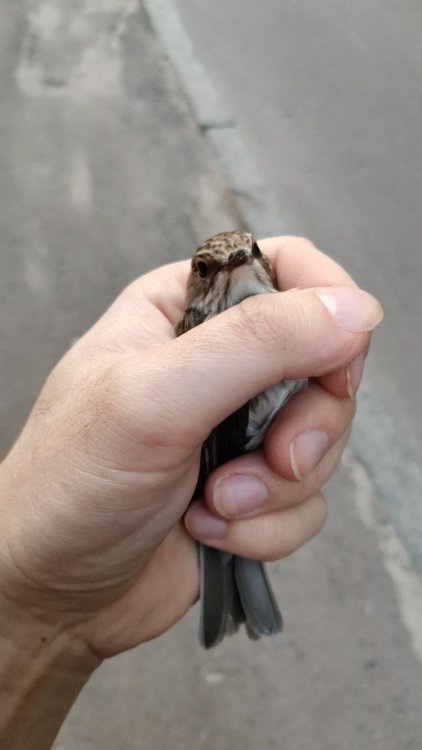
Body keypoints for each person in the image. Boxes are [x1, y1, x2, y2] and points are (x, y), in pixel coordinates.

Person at [0, 236, 382, 748]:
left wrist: (31, 617)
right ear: (196, 284)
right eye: (209, 267)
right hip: (215, 477)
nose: (239, 264)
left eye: (250, 253)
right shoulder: (196, 332)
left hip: (231, 479)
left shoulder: (273, 310)